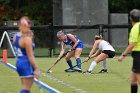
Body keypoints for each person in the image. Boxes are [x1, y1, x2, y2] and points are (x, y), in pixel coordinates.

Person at [13, 16, 40, 93]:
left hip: (19, 62)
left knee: (24, 87)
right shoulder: (26, 39)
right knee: (26, 88)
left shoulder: (16, 36)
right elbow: (30, 56)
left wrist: (30, 38)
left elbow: (20, 47)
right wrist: (36, 68)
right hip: (26, 63)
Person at [118, 9, 140, 93]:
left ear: (130, 18)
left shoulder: (135, 28)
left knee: (138, 78)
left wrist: (123, 55)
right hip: (137, 55)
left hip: (138, 55)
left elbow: (132, 44)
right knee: (133, 79)